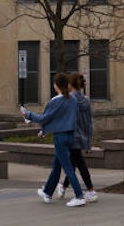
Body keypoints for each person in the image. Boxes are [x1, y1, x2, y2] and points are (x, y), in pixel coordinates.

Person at [21, 72, 87, 207]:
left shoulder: (56, 101)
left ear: (56, 85)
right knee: (57, 165)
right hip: (70, 136)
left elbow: (44, 118)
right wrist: (44, 130)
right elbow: (63, 119)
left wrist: (27, 114)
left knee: (67, 167)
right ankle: (47, 192)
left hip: (60, 137)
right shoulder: (73, 100)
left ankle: (79, 196)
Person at [55, 72, 98, 202]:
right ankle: (63, 187)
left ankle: (90, 190)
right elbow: (89, 123)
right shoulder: (86, 100)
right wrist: (89, 141)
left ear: (69, 85)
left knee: (77, 163)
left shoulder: (69, 100)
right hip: (82, 137)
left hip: (71, 135)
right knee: (73, 163)